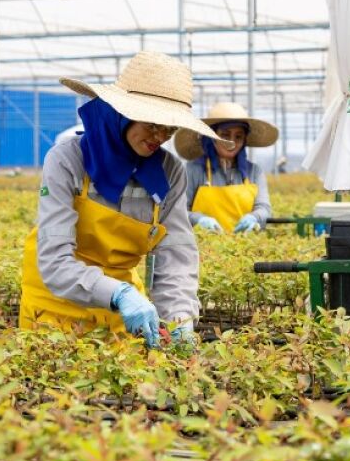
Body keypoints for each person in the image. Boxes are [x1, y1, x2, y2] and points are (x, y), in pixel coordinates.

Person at [20, 51, 222, 349]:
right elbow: (54, 261)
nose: (161, 136)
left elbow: (176, 252)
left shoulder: (170, 172)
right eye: (153, 123)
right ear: (122, 112)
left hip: (124, 314)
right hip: (54, 305)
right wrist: (120, 294)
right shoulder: (68, 160)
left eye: (170, 128)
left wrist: (179, 319)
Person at [174, 102, 279, 233]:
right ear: (211, 136)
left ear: (244, 139)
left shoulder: (254, 172)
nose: (232, 142)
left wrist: (254, 217)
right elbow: (178, 210)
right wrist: (199, 219)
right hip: (203, 247)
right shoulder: (193, 170)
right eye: (225, 135)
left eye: (238, 136)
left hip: (245, 244)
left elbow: (264, 208)